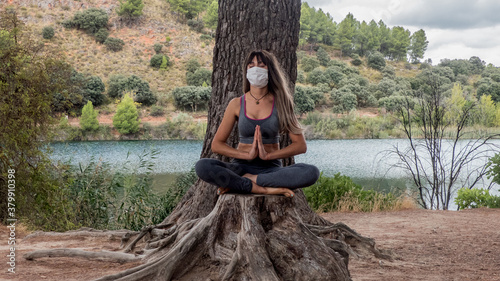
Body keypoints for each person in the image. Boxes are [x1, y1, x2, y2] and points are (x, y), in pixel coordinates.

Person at [195, 50, 319, 198]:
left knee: (311, 172)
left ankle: (246, 182)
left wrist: (269, 155)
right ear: (246, 70)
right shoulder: (236, 104)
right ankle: (262, 188)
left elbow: (300, 145)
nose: (256, 69)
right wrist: (246, 155)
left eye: (261, 65)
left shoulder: (281, 103)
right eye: (251, 64)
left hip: (271, 169)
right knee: (202, 166)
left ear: (270, 70)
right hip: (240, 167)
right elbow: (217, 145)